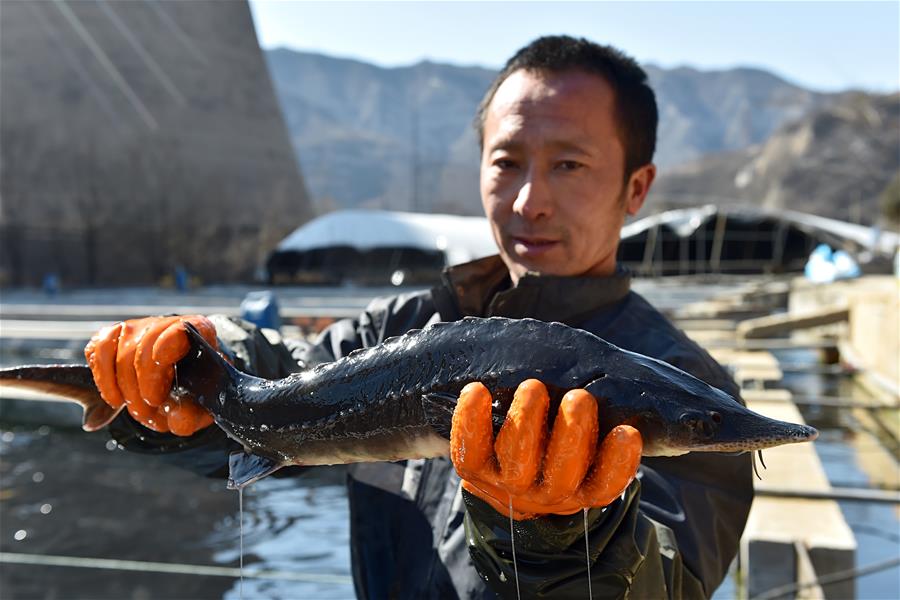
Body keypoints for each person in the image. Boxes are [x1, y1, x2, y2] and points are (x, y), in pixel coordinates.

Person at [85, 36, 752, 599]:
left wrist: (566, 532)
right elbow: (282, 382)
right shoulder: (400, 324)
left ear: (636, 187)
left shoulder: (688, 380)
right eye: (507, 162)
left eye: (569, 165)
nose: (530, 200)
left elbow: (670, 584)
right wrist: (189, 360)